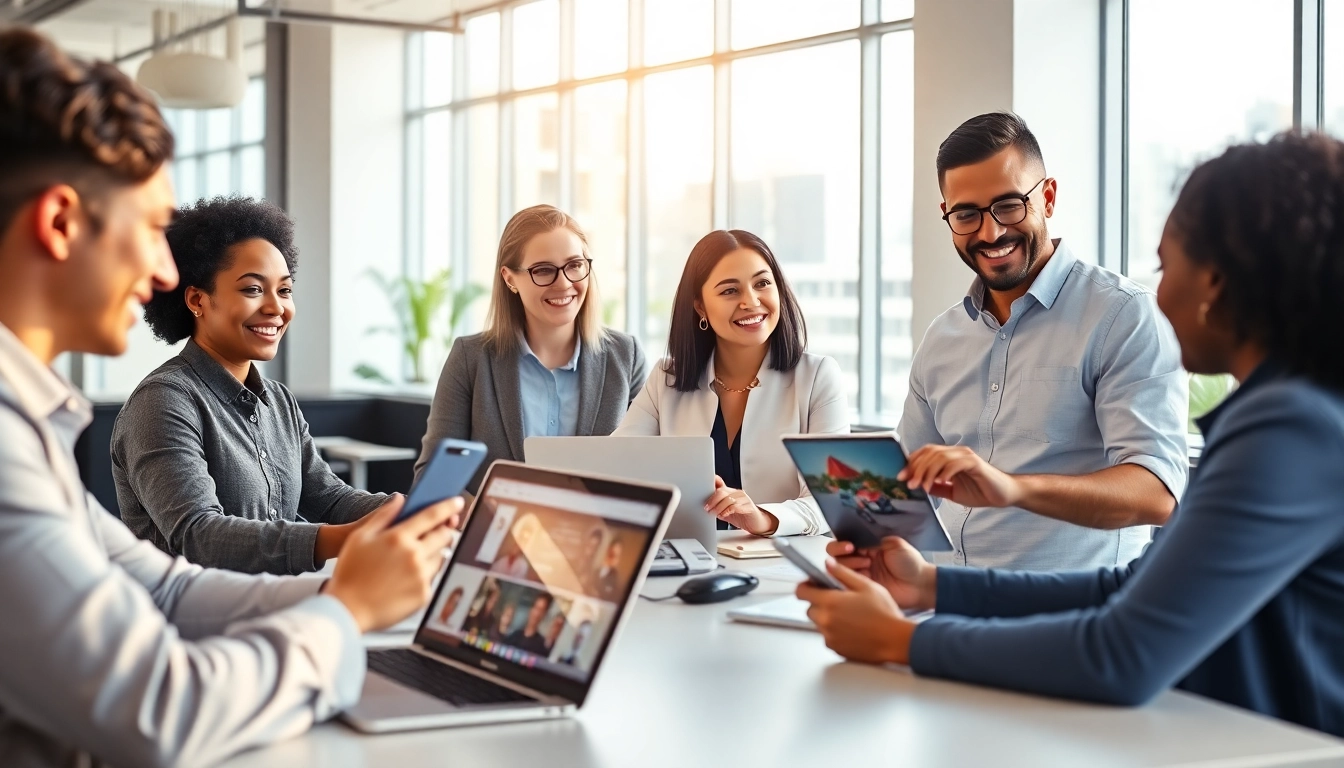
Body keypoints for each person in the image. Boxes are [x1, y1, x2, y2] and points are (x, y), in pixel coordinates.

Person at [0, 27, 460, 767]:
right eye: (152, 230)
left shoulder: (30, 425)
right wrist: (347, 607)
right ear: (59, 223)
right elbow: (160, 709)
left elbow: (169, 590)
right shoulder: (58, 430)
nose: (159, 269)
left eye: (283, 289)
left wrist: (368, 559)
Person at [797, 131, 1344, 737]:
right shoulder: (1287, 415)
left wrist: (898, 641)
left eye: (1166, 264)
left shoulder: (1289, 430)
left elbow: (1121, 653)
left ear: (1215, 281)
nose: (1159, 291)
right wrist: (929, 585)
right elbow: (1125, 591)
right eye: (966, 214)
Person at [897, 112, 1188, 570]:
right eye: (967, 214)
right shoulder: (942, 337)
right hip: (945, 602)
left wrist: (1014, 488)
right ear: (947, 215)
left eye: (1009, 205)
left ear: (1047, 198)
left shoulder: (1123, 316)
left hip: (1071, 618)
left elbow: (1157, 492)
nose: (990, 233)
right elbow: (904, 484)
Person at [110, 196, 387, 574]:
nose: (277, 308)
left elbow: (329, 498)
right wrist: (343, 538)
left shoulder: (278, 401)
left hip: (273, 606)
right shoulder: (163, 401)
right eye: (253, 289)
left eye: (285, 290)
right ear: (197, 300)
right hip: (189, 623)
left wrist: (408, 508)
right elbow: (198, 535)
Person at [616, 230, 849, 536]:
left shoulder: (818, 377)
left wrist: (762, 517)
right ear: (700, 306)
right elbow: (615, 466)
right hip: (689, 562)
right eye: (729, 291)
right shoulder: (666, 379)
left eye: (762, 283)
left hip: (783, 566)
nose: (751, 302)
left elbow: (832, 502)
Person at [416, 204, 648, 494]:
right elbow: (433, 481)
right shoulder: (471, 358)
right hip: (498, 534)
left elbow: (648, 470)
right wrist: (488, 517)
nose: (563, 283)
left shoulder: (626, 356)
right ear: (509, 278)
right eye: (543, 270)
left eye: (575, 265)